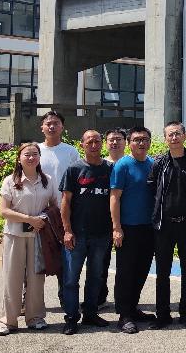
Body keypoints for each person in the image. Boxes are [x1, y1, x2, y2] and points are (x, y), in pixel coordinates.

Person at [148, 122, 186, 330]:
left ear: (184, 136)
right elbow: (152, 188)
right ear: (165, 138)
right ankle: (163, 314)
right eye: (170, 135)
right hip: (163, 226)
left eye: (177, 134)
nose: (174, 137)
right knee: (162, 272)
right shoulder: (159, 162)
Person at [0, 142, 57, 336]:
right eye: (27, 154)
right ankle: (8, 321)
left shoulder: (47, 180)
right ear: (19, 158)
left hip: (38, 236)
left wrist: (43, 218)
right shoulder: (10, 181)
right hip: (15, 235)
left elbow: (55, 205)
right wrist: (29, 219)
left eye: (35, 154)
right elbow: (3, 211)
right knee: (12, 278)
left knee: (36, 278)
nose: (31, 158)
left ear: (39, 157)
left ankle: (35, 317)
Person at [59, 130, 113, 335]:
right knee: (71, 279)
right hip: (77, 234)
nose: (94, 145)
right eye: (89, 142)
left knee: (95, 277)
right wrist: (67, 231)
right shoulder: (74, 169)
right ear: (82, 145)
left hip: (102, 234)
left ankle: (90, 313)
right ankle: (71, 318)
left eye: (97, 141)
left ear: (102, 143)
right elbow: (65, 202)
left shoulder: (110, 169)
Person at [110, 126, 157, 334]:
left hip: (149, 228)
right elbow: (114, 198)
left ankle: (133, 308)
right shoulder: (122, 165)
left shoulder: (152, 164)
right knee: (126, 272)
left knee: (142, 270)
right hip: (128, 228)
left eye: (145, 139)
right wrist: (116, 227)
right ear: (129, 143)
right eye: (137, 139)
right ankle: (124, 315)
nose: (141, 143)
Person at [38, 111, 81, 306]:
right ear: (42, 127)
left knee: (65, 258)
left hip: (65, 212)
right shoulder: (35, 151)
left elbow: (78, 180)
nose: (52, 126)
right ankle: (28, 300)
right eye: (48, 123)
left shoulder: (71, 152)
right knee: (36, 257)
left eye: (56, 123)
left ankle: (65, 299)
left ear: (62, 127)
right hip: (39, 211)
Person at [97, 129, 126, 309]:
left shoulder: (130, 162)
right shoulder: (100, 165)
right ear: (105, 143)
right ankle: (100, 298)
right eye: (111, 140)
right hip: (102, 221)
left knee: (125, 264)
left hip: (127, 221)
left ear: (125, 142)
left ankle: (123, 300)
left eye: (118, 139)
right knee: (101, 262)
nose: (115, 143)